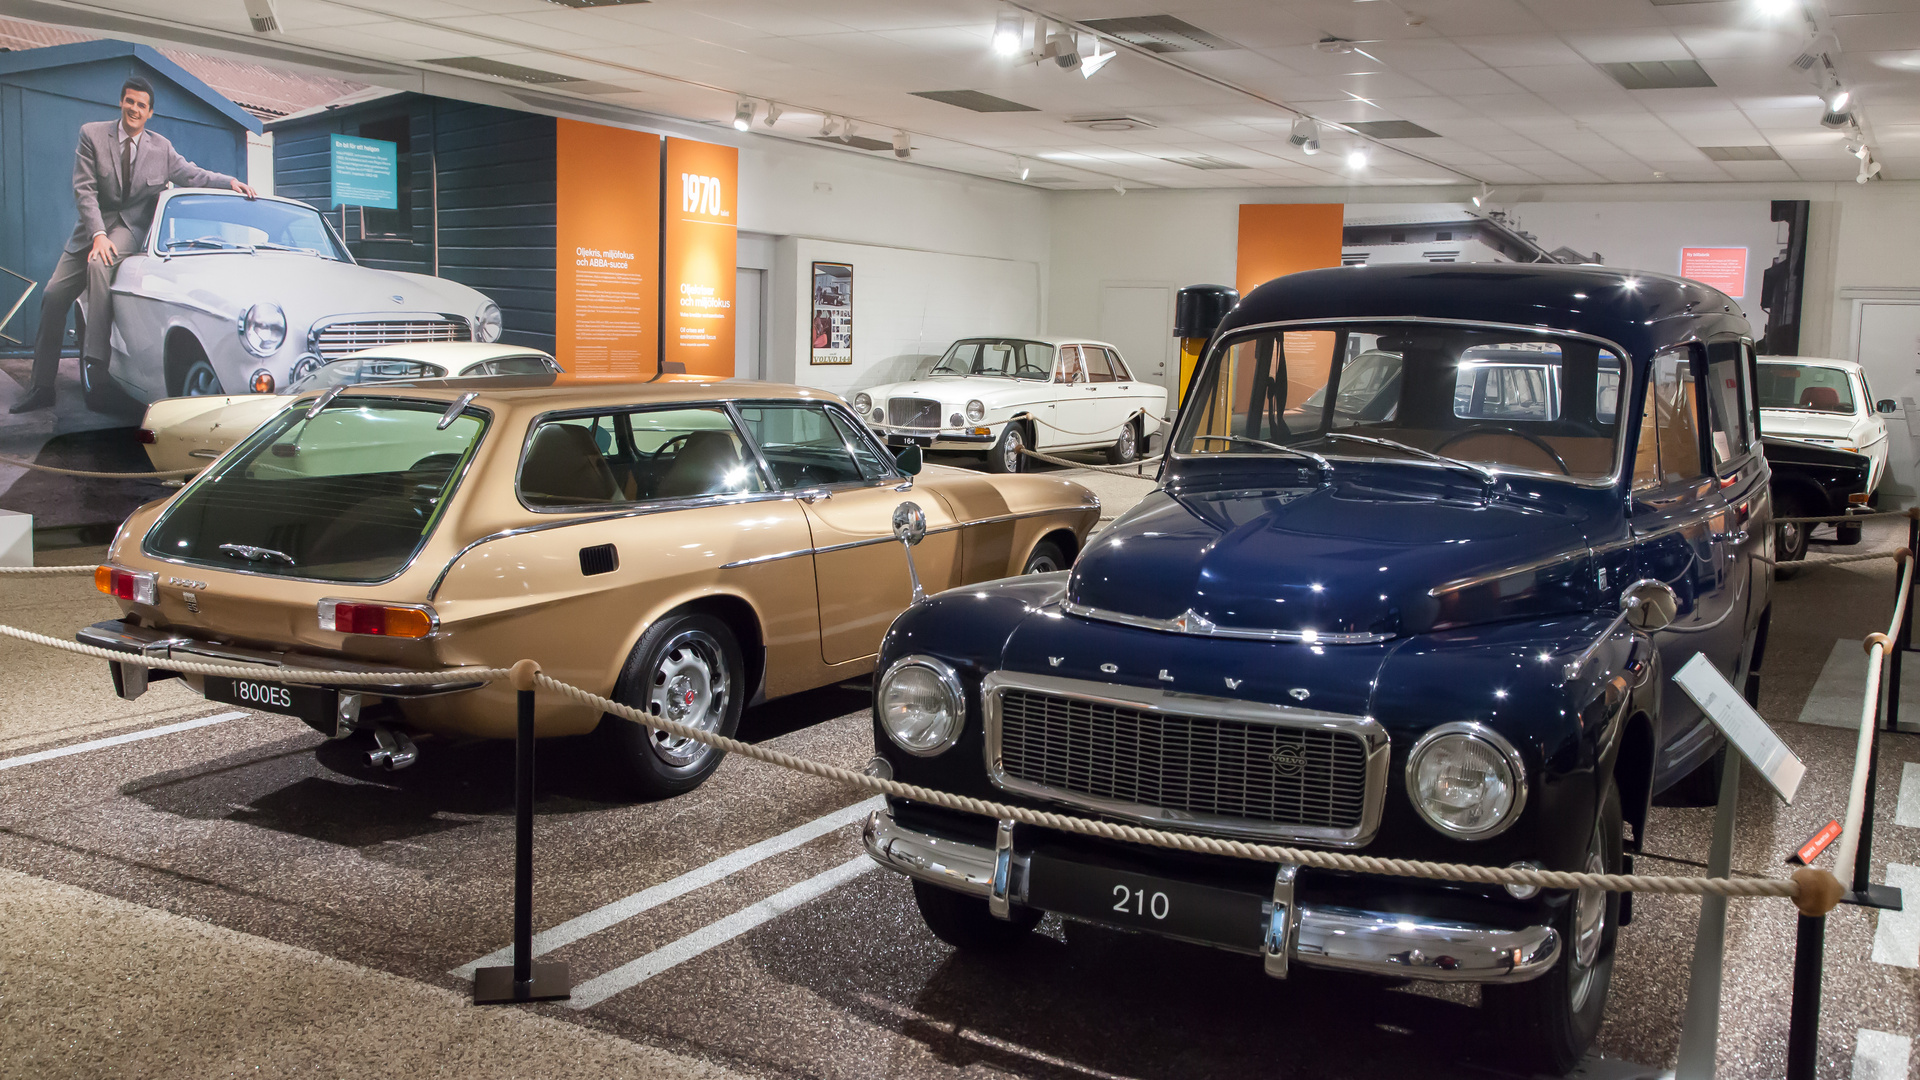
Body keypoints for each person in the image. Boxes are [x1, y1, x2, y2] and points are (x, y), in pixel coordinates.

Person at [12, 75, 256, 413]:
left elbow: (194, 175)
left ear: (150, 112)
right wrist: (97, 234)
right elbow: (84, 191)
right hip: (90, 229)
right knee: (53, 296)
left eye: (141, 105)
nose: (134, 109)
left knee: (101, 265)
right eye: (130, 101)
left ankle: (96, 360)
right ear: (121, 102)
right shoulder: (92, 135)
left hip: (129, 228)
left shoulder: (162, 149)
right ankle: (41, 387)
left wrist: (230, 182)